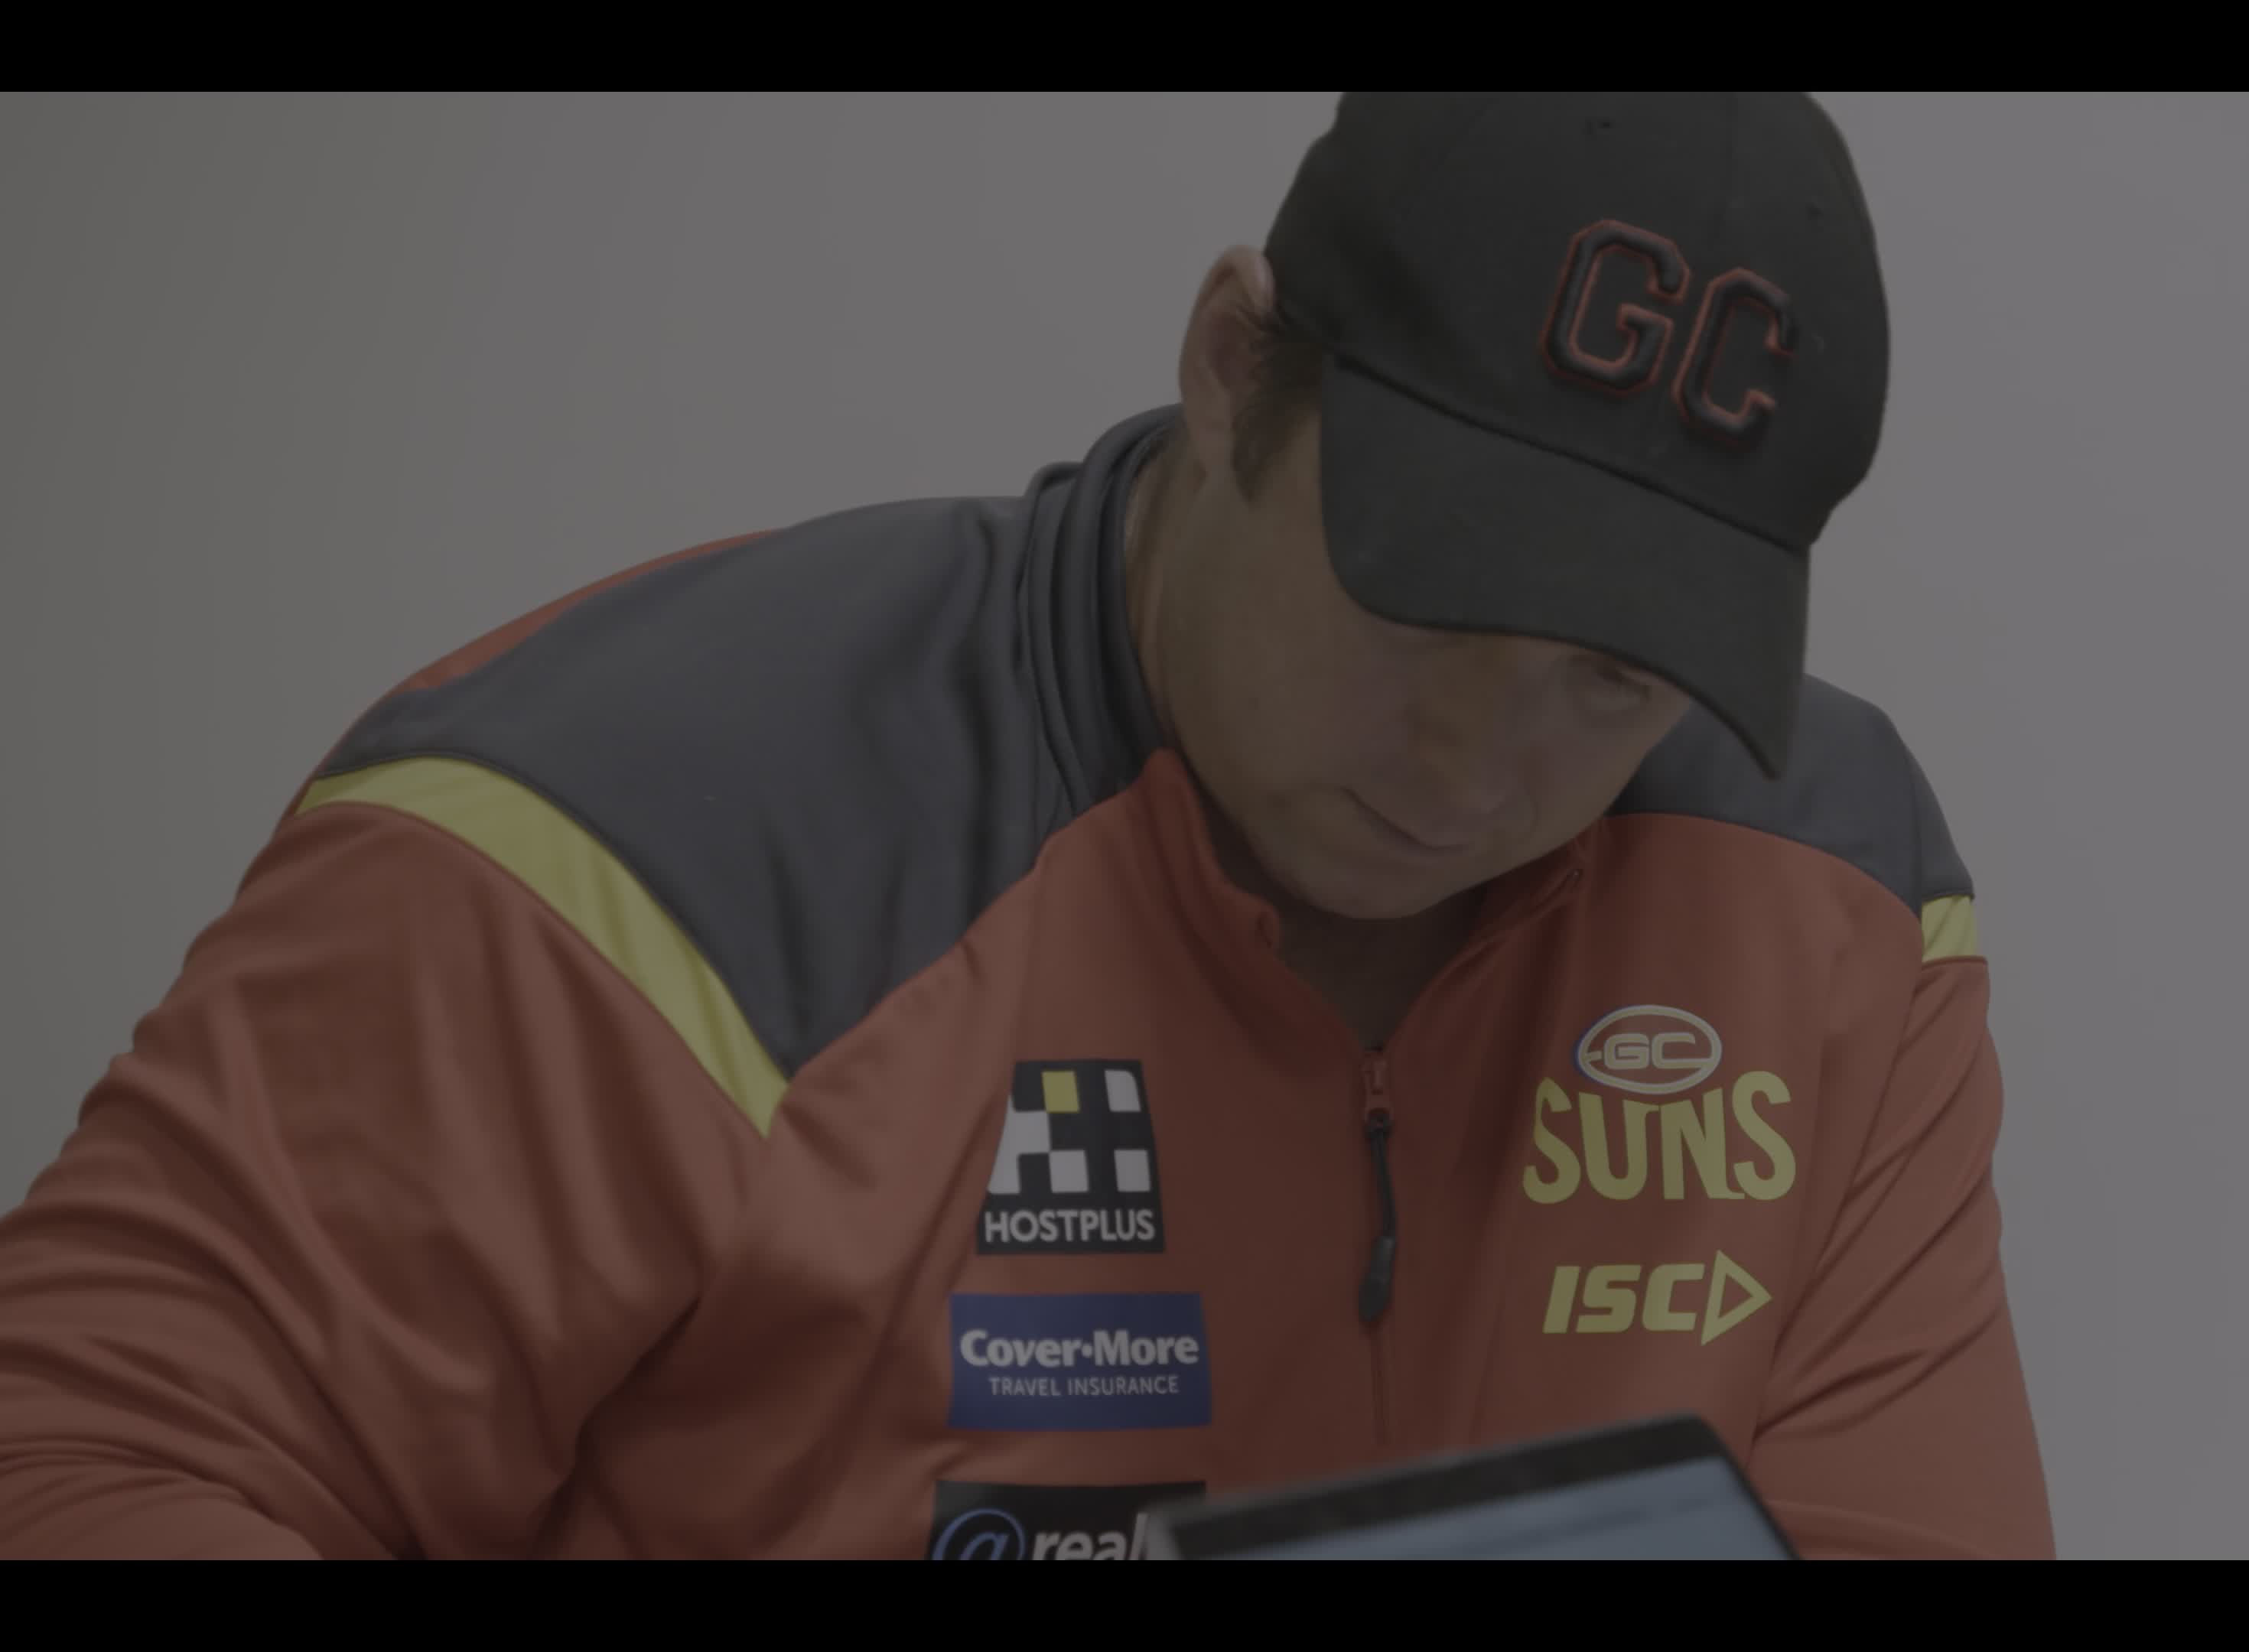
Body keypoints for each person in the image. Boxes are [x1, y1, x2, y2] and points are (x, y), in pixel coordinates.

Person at [0, 91, 2052, 1560]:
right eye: (1422, 607)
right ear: (1234, 369)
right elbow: (84, 1460)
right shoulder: (628, 843)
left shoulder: (1836, 896)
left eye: (1609, 678)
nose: (1472, 770)